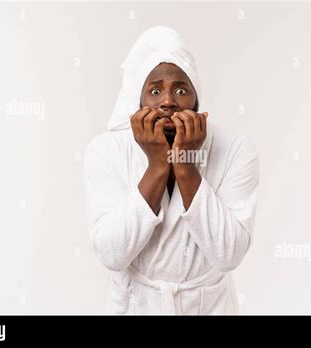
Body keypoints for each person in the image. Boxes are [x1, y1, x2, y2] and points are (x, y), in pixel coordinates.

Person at [84, 26, 259, 314]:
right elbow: (111, 254)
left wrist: (186, 166)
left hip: (208, 306)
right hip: (135, 304)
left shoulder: (237, 149)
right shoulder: (106, 151)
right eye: (155, 90)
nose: (168, 101)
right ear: (138, 104)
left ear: (197, 102)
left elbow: (228, 255)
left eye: (180, 89)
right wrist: (157, 166)